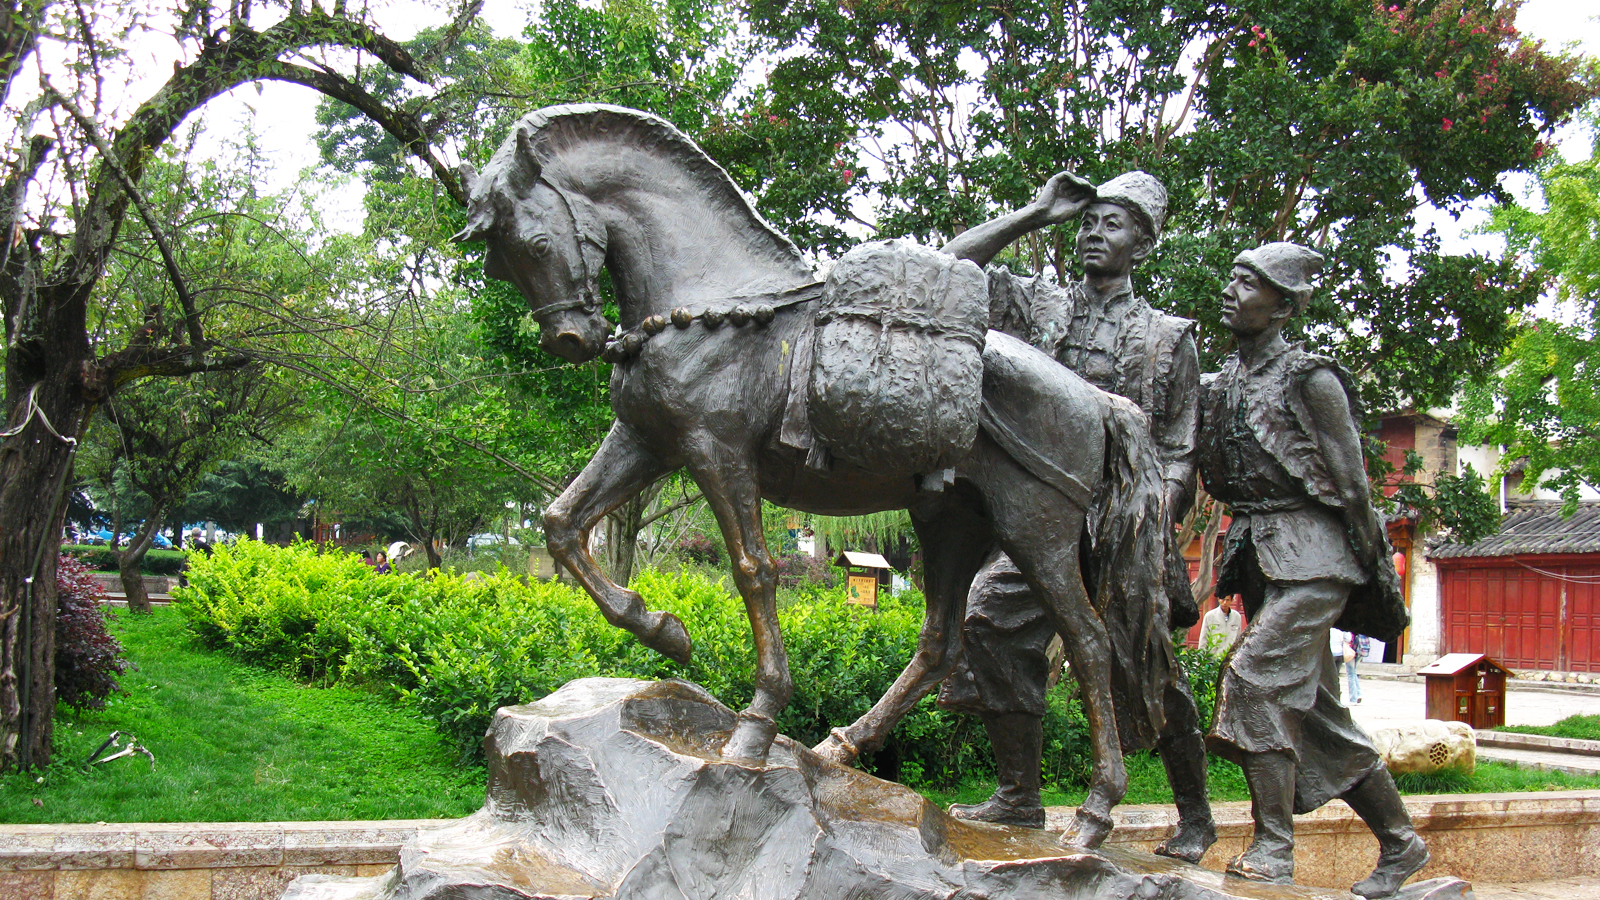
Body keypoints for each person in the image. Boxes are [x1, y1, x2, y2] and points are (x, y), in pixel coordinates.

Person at [934, 170, 1214, 859]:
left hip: (1124, 528)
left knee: (1145, 664)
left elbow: (1180, 451)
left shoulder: (1167, 338)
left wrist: (1146, 522)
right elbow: (950, 265)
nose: (1093, 233)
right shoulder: (1039, 306)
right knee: (987, 619)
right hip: (1040, 522)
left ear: (1142, 244)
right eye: (1089, 222)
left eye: (1112, 224)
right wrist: (1034, 213)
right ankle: (1019, 795)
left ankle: (1196, 815)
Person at [1196, 242, 1423, 897]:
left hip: (1315, 557)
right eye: (1233, 278)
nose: (1232, 291)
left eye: (1250, 283)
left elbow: (1353, 484)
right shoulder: (1222, 382)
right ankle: (1402, 843)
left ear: (1282, 307)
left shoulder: (1311, 379)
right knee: (1316, 714)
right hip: (1262, 558)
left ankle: (1274, 847)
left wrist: (1375, 571)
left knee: (1253, 682)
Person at [1343, 630, 1369, 705]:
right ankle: (1358, 693)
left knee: (1350, 674)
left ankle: (1353, 699)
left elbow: (1347, 638)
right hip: (1362, 649)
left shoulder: (1349, 629)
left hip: (1350, 650)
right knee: (1353, 672)